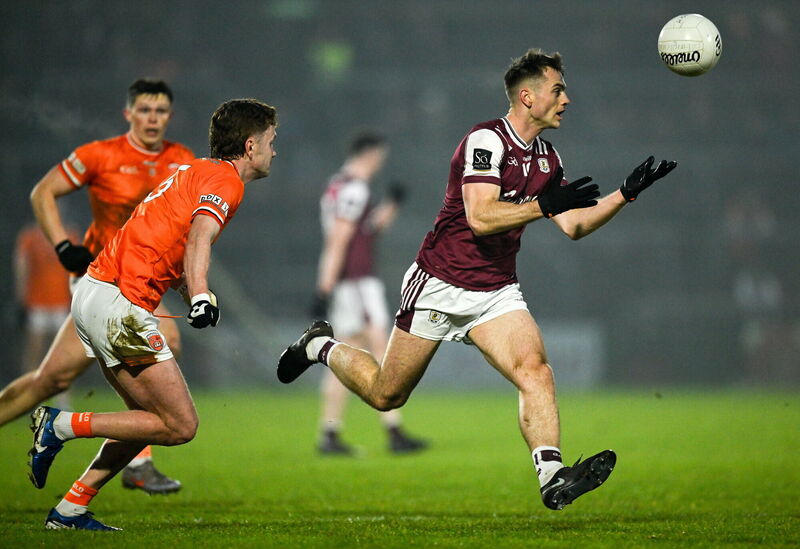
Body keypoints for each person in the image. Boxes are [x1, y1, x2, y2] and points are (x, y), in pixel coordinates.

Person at [279, 49, 677, 510]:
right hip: (439, 282)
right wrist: (546, 205)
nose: (566, 99)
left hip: (496, 291)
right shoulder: (485, 140)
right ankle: (318, 347)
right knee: (387, 395)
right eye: (558, 89)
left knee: (536, 371)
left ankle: (552, 476)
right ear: (528, 97)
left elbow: (575, 225)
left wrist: (624, 195)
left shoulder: (548, 159)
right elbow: (481, 216)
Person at [28, 98, 278, 530]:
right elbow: (199, 239)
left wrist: (191, 289)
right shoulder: (226, 182)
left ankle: (70, 509)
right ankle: (61, 424)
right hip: (120, 305)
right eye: (273, 141)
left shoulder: (195, 172)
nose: (277, 150)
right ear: (251, 145)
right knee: (180, 425)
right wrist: (200, 295)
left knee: (142, 422)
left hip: (95, 292)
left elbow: (173, 242)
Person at [1, 79, 194, 494]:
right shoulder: (102, 155)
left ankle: (134, 464)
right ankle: (136, 464)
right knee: (164, 345)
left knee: (49, 381)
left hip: (142, 287)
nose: (152, 119)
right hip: (101, 283)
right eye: (144, 110)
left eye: (160, 111)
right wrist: (63, 246)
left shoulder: (182, 161)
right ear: (128, 114)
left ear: (170, 116)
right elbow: (43, 192)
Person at [313, 132, 427, 455]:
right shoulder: (354, 188)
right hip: (357, 283)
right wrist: (324, 286)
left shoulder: (339, 185)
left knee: (345, 357)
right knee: (382, 350)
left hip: (349, 282)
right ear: (370, 154)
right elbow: (340, 239)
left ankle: (330, 434)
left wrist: (391, 206)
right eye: (380, 156)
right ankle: (394, 431)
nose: (381, 162)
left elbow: (364, 230)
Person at [14, 223, 80, 403]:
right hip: (36, 304)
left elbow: (76, 269)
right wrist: (22, 299)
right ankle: (31, 400)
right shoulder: (29, 237)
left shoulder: (69, 235)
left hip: (61, 305)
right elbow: (21, 266)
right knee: (34, 354)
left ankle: (63, 401)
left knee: (63, 356)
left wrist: (76, 299)